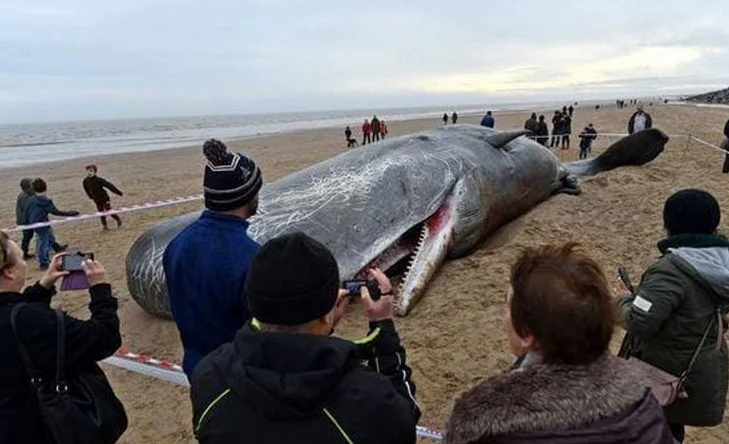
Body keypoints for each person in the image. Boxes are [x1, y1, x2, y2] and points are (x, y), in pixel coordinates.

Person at [190, 232, 421, 443]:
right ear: (324, 314)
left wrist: (320, 327)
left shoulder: (209, 379)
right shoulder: (372, 399)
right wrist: (383, 328)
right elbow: (404, 423)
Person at [444, 243, 674, 444]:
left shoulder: (479, 424)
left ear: (526, 334)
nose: (503, 316)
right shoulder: (643, 401)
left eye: (507, 306)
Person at [617, 189, 729, 443]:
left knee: (646, 428)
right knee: (669, 426)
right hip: (695, 367)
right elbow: (694, 306)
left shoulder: (671, 270)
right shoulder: (725, 263)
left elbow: (639, 323)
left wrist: (622, 300)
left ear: (670, 222)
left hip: (661, 372)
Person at [0, 231, 123, 444]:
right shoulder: (35, 321)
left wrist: (43, 287)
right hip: (40, 428)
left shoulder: (23, 317)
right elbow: (104, 338)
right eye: (20, 258)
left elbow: (10, 313)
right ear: (8, 272)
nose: (23, 263)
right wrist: (100, 290)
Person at [163, 139, 263, 379]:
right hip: (238, 375)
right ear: (247, 195)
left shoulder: (176, 244)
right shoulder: (252, 257)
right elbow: (261, 329)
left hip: (198, 370)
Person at [25, 178, 79, 270]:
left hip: (33, 223)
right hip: (41, 224)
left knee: (49, 236)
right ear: (46, 188)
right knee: (43, 242)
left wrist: (27, 222)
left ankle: (56, 247)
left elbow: (26, 211)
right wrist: (71, 213)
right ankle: (44, 262)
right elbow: (56, 212)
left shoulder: (30, 200)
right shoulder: (47, 201)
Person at [82, 164, 123, 230]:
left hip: (105, 198)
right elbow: (86, 189)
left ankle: (118, 220)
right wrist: (90, 196)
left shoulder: (99, 180)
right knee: (101, 213)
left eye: (91, 171)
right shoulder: (85, 181)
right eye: (88, 171)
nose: (89, 172)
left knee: (108, 211)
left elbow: (109, 186)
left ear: (95, 172)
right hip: (97, 200)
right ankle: (105, 226)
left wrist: (118, 192)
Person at [15, 178, 35, 260]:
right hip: (25, 221)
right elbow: (26, 210)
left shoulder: (27, 194)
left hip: (26, 220)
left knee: (28, 236)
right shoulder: (24, 196)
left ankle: (56, 247)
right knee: (27, 236)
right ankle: (24, 254)